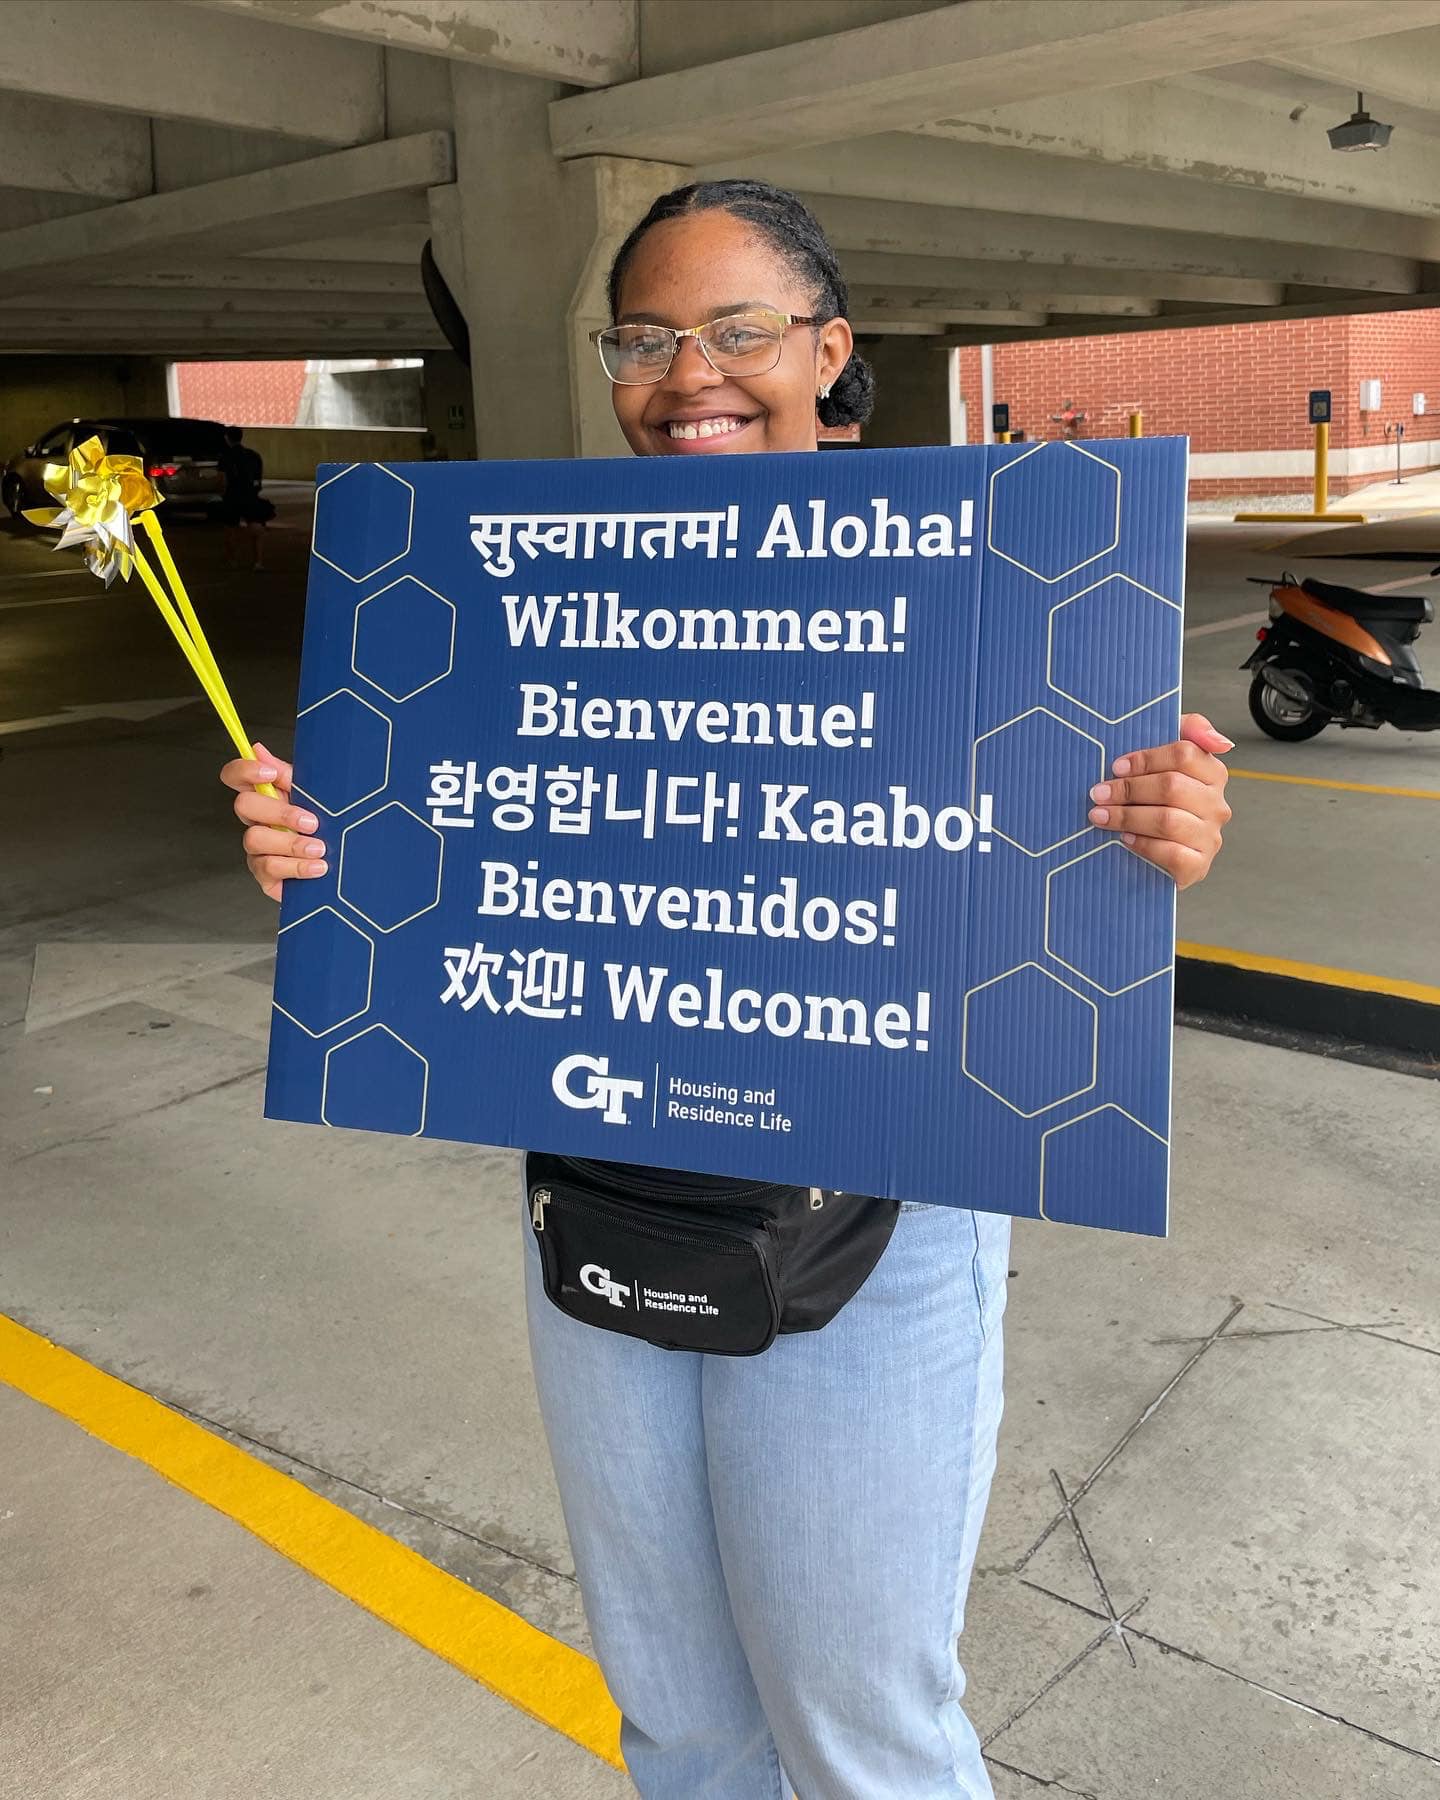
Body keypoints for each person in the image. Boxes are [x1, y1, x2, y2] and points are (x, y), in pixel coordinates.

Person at [222, 181, 1232, 1799]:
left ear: (831, 352)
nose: (686, 373)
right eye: (644, 337)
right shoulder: (520, 589)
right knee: (682, 1722)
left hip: (881, 1230)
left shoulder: (982, 571)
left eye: (738, 330)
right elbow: (442, 844)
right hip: (605, 1208)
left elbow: (1053, 851)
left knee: (862, 1733)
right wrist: (318, 851)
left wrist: (1152, 839)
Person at [218, 424, 271, 570]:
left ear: (227, 438)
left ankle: (232, 561)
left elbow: (222, 480)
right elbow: (258, 478)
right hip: (250, 496)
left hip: (232, 496)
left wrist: (222, 494)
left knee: (230, 529)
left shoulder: (225, 457)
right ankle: (258, 561)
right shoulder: (253, 455)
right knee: (257, 528)